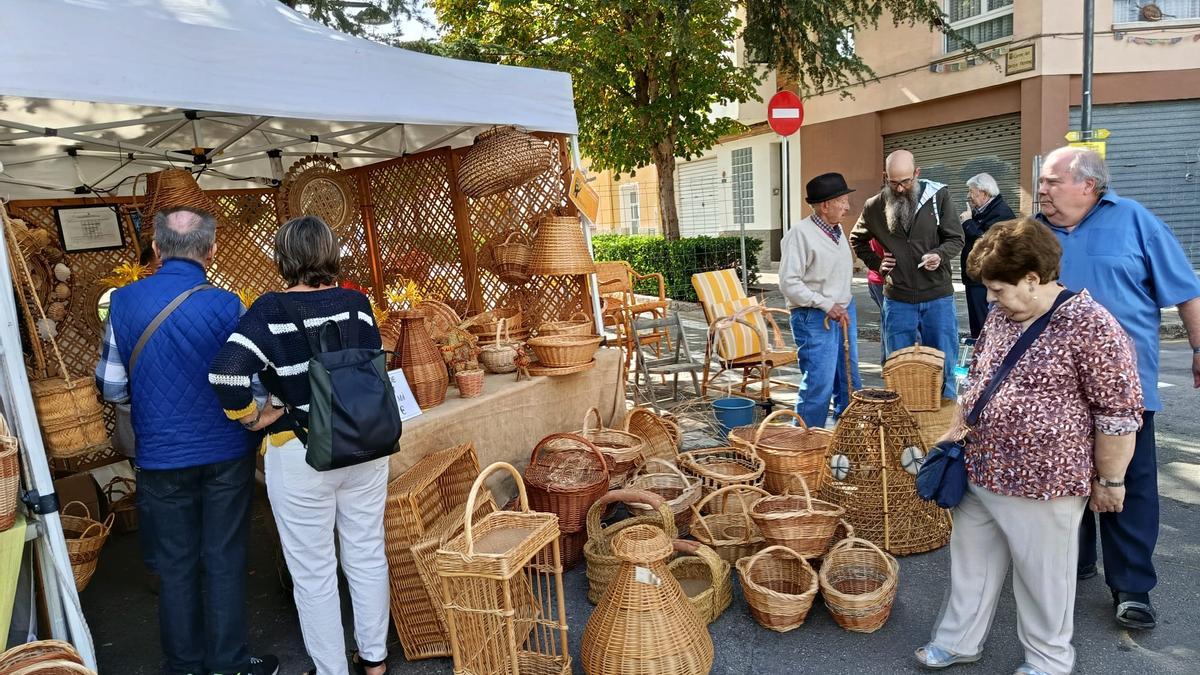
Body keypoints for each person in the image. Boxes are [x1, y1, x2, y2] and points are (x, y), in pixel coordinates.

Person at [916, 218, 1142, 675]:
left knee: (1044, 579)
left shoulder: (1091, 325)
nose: (991, 299)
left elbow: (1117, 416)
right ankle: (959, 641)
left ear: (1033, 279)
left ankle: (1049, 661)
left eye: (998, 289)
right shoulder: (1004, 315)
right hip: (980, 468)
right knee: (971, 565)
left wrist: (1110, 481)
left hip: (1046, 482)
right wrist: (953, 432)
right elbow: (978, 377)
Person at [95, 207, 278, 675]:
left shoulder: (122, 303)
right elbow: (252, 382)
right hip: (226, 451)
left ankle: (183, 665)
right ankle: (229, 662)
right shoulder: (228, 304)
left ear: (155, 249)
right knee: (224, 555)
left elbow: (113, 387)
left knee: (175, 565)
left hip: (158, 456)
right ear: (211, 250)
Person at [210, 216, 391, 675]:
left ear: (284, 257)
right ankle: (374, 660)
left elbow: (226, 373)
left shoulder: (270, 310)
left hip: (302, 450)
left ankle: (332, 669)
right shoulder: (356, 303)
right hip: (365, 446)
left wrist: (254, 417)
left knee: (313, 571)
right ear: (330, 253)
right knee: (367, 552)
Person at [1036, 146, 1200, 630]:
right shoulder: (1034, 231)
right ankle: (1077, 561)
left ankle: (1131, 587)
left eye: (1050, 181)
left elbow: (1186, 290)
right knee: (1063, 479)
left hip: (1126, 389)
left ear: (1087, 185)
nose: (1041, 190)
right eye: (1042, 183)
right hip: (1054, 390)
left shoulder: (1135, 221)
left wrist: (1198, 348)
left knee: (1129, 485)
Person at [850, 149, 964, 399]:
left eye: (906, 181)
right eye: (894, 182)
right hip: (898, 300)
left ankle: (944, 427)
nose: (900, 188)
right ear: (885, 177)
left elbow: (956, 238)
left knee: (943, 363)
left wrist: (940, 254)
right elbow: (856, 239)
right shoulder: (874, 205)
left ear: (917, 173)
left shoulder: (939, 196)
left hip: (938, 298)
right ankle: (901, 425)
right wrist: (878, 263)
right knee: (896, 365)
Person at [778, 172, 863, 427]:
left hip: (844, 310)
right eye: (843, 201)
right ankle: (805, 442)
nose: (848, 207)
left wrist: (842, 304)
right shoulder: (800, 234)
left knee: (848, 378)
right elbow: (788, 283)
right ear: (825, 205)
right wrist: (827, 304)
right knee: (819, 384)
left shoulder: (836, 230)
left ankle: (846, 435)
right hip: (815, 316)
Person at [959, 173, 1015, 338]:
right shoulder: (982, 211)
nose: (969, 196)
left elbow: (987, 242)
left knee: (985, 325)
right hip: (975, 279)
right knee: (977, 326)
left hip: (986, 279)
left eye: (972, 191)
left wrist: (968, 223)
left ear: (984, 193)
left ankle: (987, 358)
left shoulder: (1001, 212)